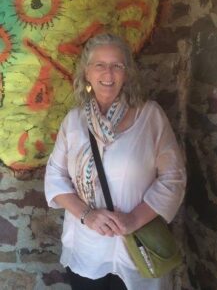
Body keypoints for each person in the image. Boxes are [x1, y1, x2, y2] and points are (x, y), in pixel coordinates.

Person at [44, 33, 186, 290]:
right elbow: (55, 176)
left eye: (117, 65)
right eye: (100, 65)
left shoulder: (150, 116)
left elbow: (173, 177)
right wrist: (87, 215)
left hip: (135, 248)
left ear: (127, 73)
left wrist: (133, 219)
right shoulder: (74, 122)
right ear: (87, 72)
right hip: (87, 249)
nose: (108, 73)